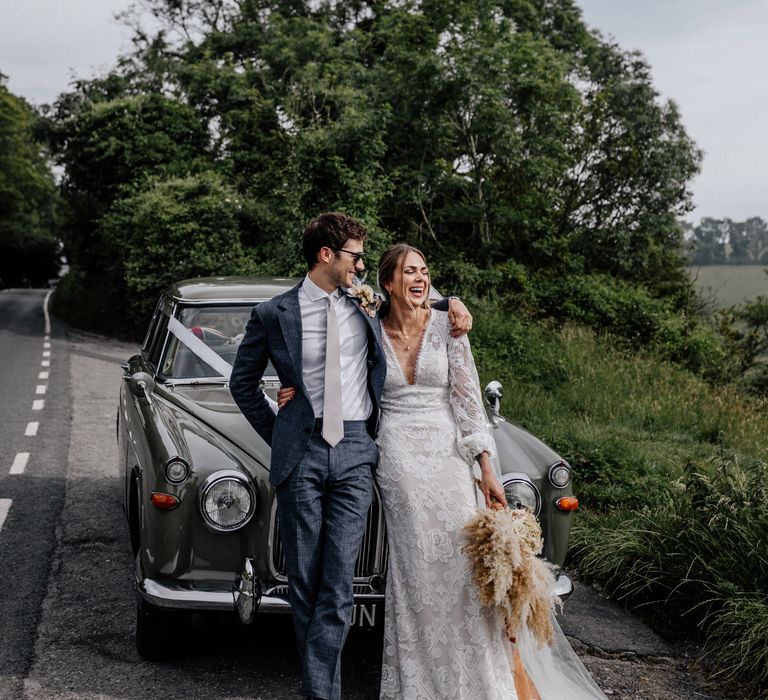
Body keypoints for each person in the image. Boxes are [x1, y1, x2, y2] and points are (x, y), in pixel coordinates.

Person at [279, 243, 608, 700]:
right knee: (415, 572)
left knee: (460, 564)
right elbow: (328, 359)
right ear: (388, 283)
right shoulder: (367, 322)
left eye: (425, 272)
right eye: (409, 272)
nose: (420, 278)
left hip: (449, 452)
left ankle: (480, 685)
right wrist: (293, 393)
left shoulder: (450, 327)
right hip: (395, 453)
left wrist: (487, 468)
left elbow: (469, 404)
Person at [229, 214, 471, 700]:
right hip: (302, 455)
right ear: (326, 255)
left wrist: (456, 304)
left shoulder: (366, 303)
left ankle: (320, 695)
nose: (361, 263)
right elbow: (243, 383)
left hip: (358, 451)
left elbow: (414, 300)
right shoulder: (274, 314)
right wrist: (281, 433)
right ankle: (324, 687)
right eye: (355, 256)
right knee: (306, 582)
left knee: (338, 584)